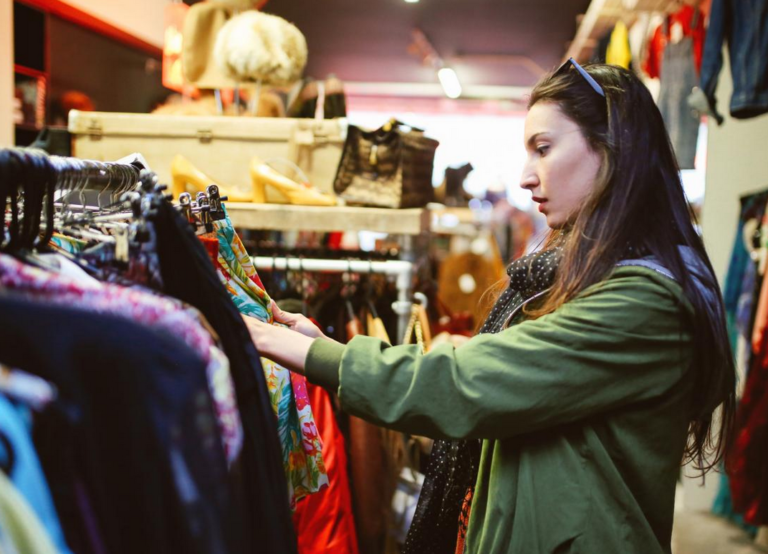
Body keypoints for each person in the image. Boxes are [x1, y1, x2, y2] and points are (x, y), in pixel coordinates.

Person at [242, 60, 736, 554]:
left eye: (543, 149)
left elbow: (465, 383)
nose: (525, 176)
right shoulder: (586, 277)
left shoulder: (642, 301)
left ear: (613, 150)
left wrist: (311, 352)